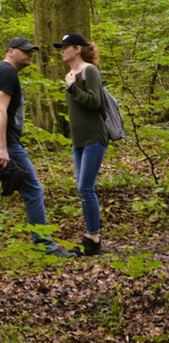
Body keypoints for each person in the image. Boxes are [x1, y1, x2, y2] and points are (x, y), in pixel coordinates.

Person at [0, 37, 72, 257]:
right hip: (3, 145)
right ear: (11, 51)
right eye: (25, 51)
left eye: (31, 51)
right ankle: (45, 247)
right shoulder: (6, 73)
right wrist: (2, 149)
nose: (30, 54)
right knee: (33, 191)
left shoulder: (1, 73)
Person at [57, 32, 108, 256]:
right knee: (82, 189)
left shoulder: (89, 71)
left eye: (65, 46)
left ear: (77, 49)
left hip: (94, 138)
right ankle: (90, 236)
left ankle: (93, 238)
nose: (62, 50)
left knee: (85, 188)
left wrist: (72, 87)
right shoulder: (70, 74)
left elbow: (95, 102)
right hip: (78, 141)